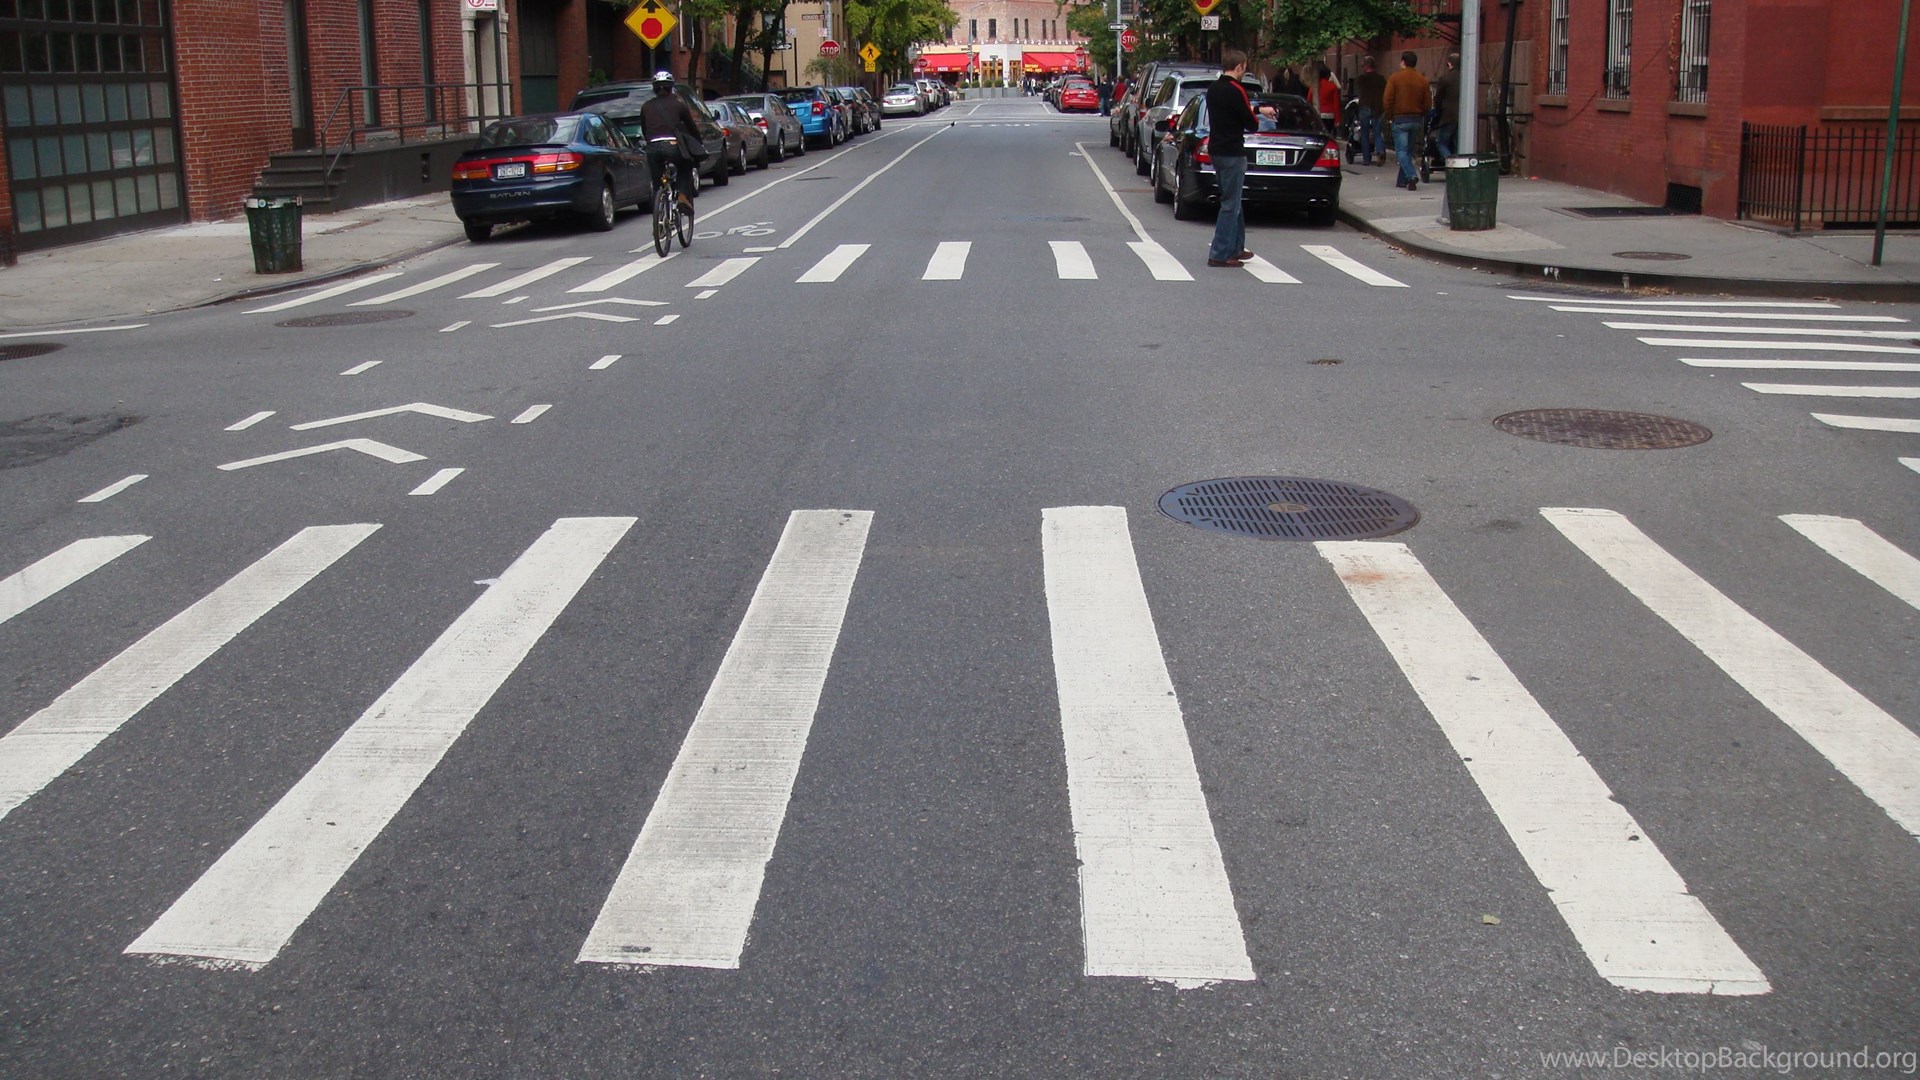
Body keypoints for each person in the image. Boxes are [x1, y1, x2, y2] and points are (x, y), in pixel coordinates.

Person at [1204, 49, 1277, 268]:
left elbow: (1235, 108)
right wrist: (1260, 116)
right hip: (1233, 151)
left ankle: (1236, 247)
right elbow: (1250, 122)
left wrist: (1259, 108)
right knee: (1231, 204)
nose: (1244, 71)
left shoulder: (1213, 89)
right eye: (1244, 67)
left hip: (1216, 149)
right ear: (1239, 67)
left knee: (1233, 200)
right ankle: (1219, 253)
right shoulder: (1237, 89)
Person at [638, 70, 704, 208]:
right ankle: (682, 196)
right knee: (685, 166)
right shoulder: (679, 104)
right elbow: (691, 126)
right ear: (671, 87)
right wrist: (698, 142)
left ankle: (659, 204)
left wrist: (650, 140)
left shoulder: (646, 107)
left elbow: (644, 129)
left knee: (657, 180)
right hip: (673, 145)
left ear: (654, 89)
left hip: (652, 147)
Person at [1381, 51, 1431, 191]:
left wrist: (1389, 116)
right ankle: (1402, 181)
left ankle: (1411, 175)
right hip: (1415, 119)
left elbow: (1387, 99)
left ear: (1403, 62)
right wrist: (1421, 113)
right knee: (1408, 151)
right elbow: (1428, 102)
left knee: (1401, 151)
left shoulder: (1395, 78)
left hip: (1399, 119)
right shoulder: (1422, 80)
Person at [1351, 55, 1386, 166]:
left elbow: (1358, 92)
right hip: (1378, 107)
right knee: (1377, 132)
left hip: (1365, 106)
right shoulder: (1381, 79)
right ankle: (1379, 151)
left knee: (1365, 133)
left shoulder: (1361, 79)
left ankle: (1366, 159)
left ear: (1366, 66)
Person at [1430, 51, 1461, 162]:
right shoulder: (1465, 77)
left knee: (1441, 142)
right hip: (1461, 117)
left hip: (1448, 116)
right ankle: (1459, 164)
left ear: (1449, 63)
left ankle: (1452, 162)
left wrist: (1437, 112)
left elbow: (1438, 98)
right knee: (1458, 144)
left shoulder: (1445, 78)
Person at [1313, 63, 1341, 135]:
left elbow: (1309, 100)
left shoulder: (1314, 87)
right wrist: (1337, 119)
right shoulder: (1332, 86)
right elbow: (1336, 104)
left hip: (1317, 114)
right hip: (1329, 114)